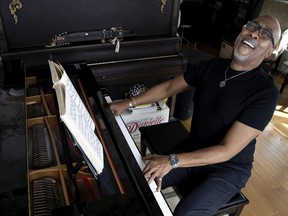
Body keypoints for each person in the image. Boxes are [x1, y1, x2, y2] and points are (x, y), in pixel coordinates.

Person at [109, 15, 281, 215]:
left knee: (185, 213)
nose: (254, 33)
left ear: (270, 51)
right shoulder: (213, 66)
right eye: (252, 26)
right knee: (136, 182)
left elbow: (227, 150)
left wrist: (173, 160)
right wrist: (127, 103)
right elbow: (168, 87)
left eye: (265, 34)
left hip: (227, 169)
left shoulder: (265, 93)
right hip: (192, 150)